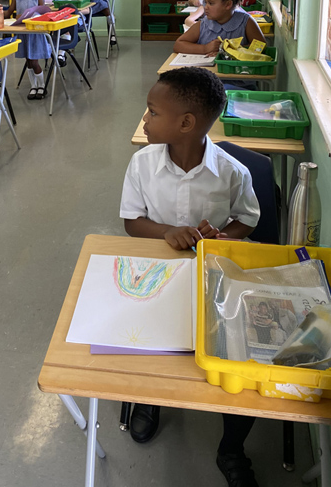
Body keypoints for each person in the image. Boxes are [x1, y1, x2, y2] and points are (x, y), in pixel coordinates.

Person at [120, 67, 262, 487]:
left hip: (213, 273)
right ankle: (150, 399)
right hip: (158, 272)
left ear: (186, 123)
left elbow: (248, 218)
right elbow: (132, 222)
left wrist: (222, 237)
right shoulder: (142, 163)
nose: (145, 119)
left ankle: (232, 447)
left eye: (152, 111)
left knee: (239, 354)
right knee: (146, 336)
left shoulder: (232, 172)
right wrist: (167, 232)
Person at [174, 0, 265, 55]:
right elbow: (178, 45)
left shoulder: (246, 22)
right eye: (206, 3)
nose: (206, 7)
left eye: (211, 3)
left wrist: (229, 51)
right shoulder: (204, 24)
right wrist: (205, 48)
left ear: (228, 4)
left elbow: (261, 47)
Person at [3, 0, 50, 100]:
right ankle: (33, 86)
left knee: (34, 62)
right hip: (23, 34)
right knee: (28, 61)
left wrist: (29, 17)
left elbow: (43, 15)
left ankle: (42, 86)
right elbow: (9, 12)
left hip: (35, 35)